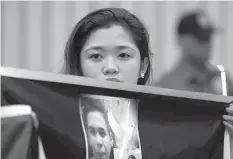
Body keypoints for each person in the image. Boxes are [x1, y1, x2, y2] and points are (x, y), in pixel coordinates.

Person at [62, 7, 233, 157]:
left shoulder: (221, 79)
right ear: (78, 64)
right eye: (96, 56)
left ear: (143, 66)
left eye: (123, 55)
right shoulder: (56, 125)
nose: (110, 67)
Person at [155, 9, 233, 155]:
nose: (208, 43)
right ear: (182, 40)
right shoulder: (166, 87)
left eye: (209, 36)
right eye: (201, 37)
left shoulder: (223, 79)